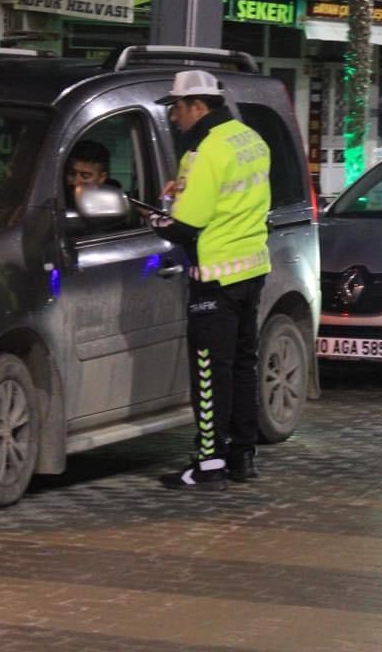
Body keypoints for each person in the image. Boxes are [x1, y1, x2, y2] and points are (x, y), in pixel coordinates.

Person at [150, 70, 272, 491]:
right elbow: (229, 199)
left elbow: (184, 226)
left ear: (197, 106)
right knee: (242, 367)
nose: (174, 118)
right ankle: (242, 456)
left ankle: (208, 464)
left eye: (177, 108)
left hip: (214, 277)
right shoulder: (250, 139)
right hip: (251, 270)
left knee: (209, 372)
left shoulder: (203, 152)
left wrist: (152, 216)